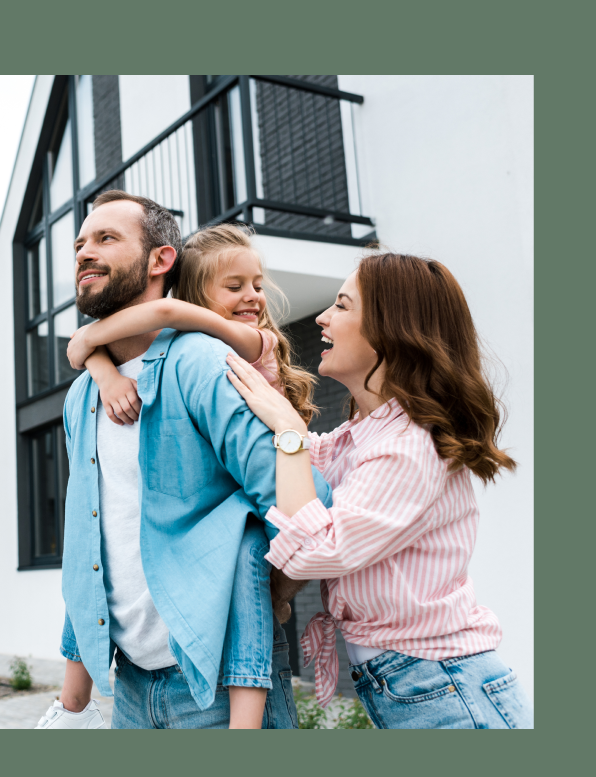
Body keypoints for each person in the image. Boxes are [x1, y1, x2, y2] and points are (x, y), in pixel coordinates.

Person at [34, 192, 330, 730]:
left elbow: (297, 500)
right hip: (129, 688)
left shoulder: (202, 362)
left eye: (105, 239)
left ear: (160, 260)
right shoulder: (82, 396)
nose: (83, 252)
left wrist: (271, 597)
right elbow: (91, 546)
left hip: (218, 689)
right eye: (79, 243)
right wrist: (72, 699)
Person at [223, 252, 534, 729]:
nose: (323, 318)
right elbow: (306, 461)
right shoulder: (365, 433)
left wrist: (286, 428)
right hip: (422, 683)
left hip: (445, 689)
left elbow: (313, 550)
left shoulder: (409, 446)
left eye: (343, 306)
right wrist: (266, 385)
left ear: (393, 329)